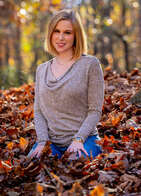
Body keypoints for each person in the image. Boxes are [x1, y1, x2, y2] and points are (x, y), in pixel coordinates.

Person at [28, 9, 104, 159]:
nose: (60, 37)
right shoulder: (41, 70)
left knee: (75, 170)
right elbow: (39, 112)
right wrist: (42, 141)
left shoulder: (90, 64)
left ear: (76, 36)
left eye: (67, 32)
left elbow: (95, 111)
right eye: (57, 31)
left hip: (85, 139)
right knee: (31, 168)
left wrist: (78, 139)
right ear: (50, 34)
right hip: (52, 142)